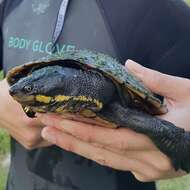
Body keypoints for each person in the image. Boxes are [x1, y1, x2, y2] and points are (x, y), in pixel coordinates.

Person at [1, 0, 190, 190]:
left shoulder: (161, 9)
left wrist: (180, 146)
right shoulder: (11, 3)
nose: (14, 93)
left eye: (27, 91)